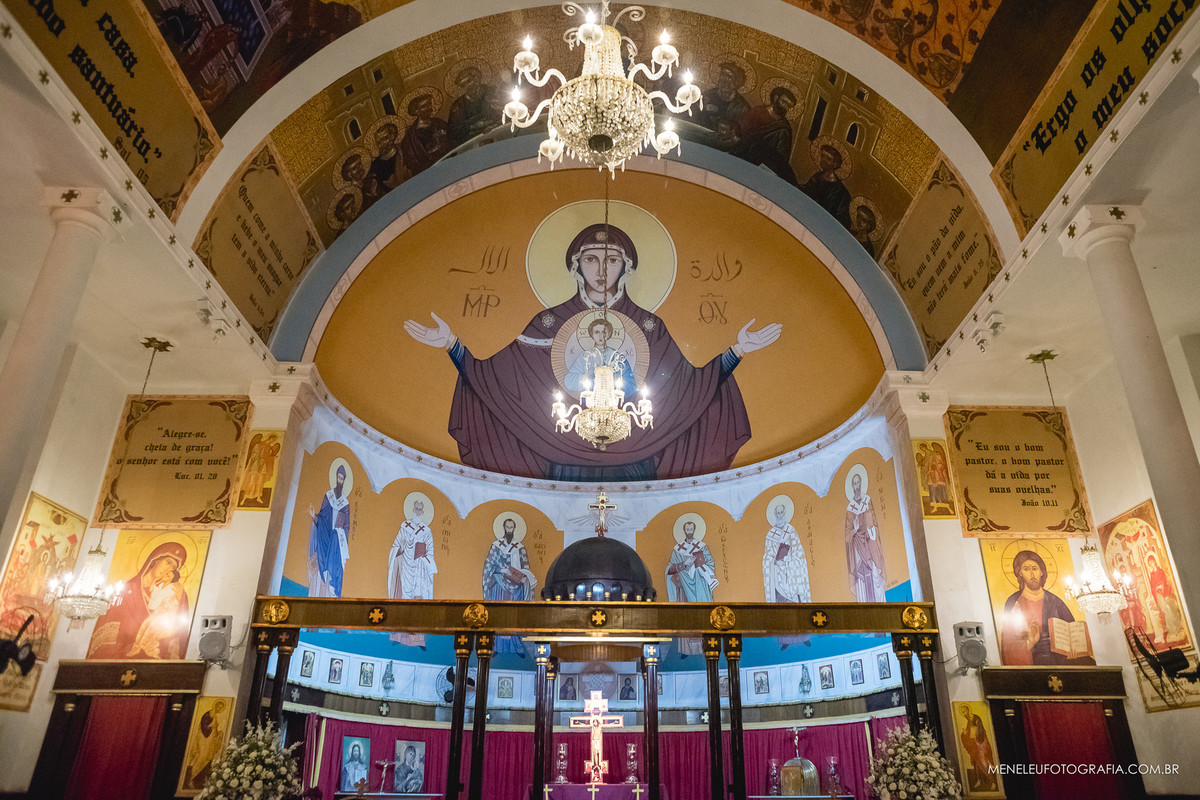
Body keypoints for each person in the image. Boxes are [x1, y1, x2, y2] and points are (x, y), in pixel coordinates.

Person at [404, 223, 782, 480]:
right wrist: (452, 345)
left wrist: (737, 350)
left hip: (637, 458)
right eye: (591, 259)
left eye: (612, 260)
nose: (602, 270)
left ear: (626, 267)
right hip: (563, 457)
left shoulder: (650, 326)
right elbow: (499, 380)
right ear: (576, 266)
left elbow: (689, 389)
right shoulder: (548, 322)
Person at [88, 541, 190, 659]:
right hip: (117, 660)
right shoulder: (125, 590)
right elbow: (106, 634)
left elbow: (176, 633)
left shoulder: (170, 594)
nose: (167, 570)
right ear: (156, 559)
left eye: (173, 568)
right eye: (167, 562)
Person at [1000, 550, 1086, 665]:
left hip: (1059, 656)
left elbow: (1073, 634)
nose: (1032, 574)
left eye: (1035, 569)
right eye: (1026, 569)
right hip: (1031, 656)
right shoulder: (1013, 602)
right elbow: (1008, 642)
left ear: (1041, 572)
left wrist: (1073, 650)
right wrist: (1030, 642)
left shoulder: (1056, 602)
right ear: (1020, 573)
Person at [482, 515, 537, 654]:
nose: (509, 530)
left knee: (514, 615)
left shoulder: (520, 548)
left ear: (514, 529)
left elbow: (526, 566)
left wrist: (523, 576)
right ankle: (496, 646)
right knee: (500, 614)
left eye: (511, 528)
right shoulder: (496, 546)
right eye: (507, 527)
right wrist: (502, 570)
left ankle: (517, 645)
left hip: (516, 586)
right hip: (499, 584)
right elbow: (489, 564)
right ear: (503, 528)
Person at [389, 496, 438, 646]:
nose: (418, 511)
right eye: (415, 509)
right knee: (403, 601)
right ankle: (398, 637)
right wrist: (401, 548)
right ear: (412, 510)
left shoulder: (427, 531)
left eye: (420, 509)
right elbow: (395, 547)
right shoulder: (404, 527)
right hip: (405, 569)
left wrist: (424, 557)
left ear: (423, 511)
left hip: (419, 572)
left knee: (418, 604)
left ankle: (417, 639)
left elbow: (431, 552)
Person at [739, 86, 799, 185]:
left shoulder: (784, 129)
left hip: (763, 167)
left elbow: (781, 158)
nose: (785, 107)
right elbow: (742, 131)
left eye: (788, 106)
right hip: (745, 155)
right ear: (776, 98)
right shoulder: (757, 111)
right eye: (783, 102)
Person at [564, 317, 637, 396]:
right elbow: (569, 381)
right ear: (591, 334)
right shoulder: (585, 357)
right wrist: (587, 376)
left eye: (604, 332)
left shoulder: (617, 357)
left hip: (613, 403)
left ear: (609, 334)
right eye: (597, 332)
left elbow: (631, 385)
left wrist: (613, 382)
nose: (601, 336)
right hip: (592, 403)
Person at [308, 463, 350, 597]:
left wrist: (341, 533)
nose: (340, 481)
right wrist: (314, 516)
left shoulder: (346, 503)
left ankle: (332, 591)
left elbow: (347, 525)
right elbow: (323, 515)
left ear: (344, 481)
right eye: (338, 477)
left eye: (342, 478)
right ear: (336, 478)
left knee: (335, 566)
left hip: (337, 539)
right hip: (326, 535)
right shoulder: (329, 496)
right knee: (322, 561)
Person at [845, 469, 886, 602]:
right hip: (858, 546)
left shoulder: (868, 501)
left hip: (870, 542)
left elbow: (874, 522)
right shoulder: (850, 508)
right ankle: (864, 602)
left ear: (862, 484)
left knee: (874, 571)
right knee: (862, 575)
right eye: (854, 484)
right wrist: (854, 530)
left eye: (858, 483)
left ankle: (879, 601)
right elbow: (847, 533)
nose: (857, 486)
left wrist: (872, 531)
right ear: (852, 486)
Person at [801, 141, 853, 229]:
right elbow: (807, 191)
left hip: (822, 226)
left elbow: (843, 219)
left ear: (835, 164)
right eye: (822, 156)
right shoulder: (817, 177)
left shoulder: (841, 191)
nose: (823, 161)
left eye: (828, 159)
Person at [447, 65, 499, 147]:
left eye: (469, 81)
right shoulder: (458, 106)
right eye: (464, 85)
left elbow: (509, 109)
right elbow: (453, 131)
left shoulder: (493, 91)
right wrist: (472, 126)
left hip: (499, 132)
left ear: (477, 79)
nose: (468, 87)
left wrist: (496, 124)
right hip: (475, 141)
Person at [400, 93, 450, 177]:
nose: (428, 108)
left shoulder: (439, 123)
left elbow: (452, 138)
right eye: (423, 106)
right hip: (429, 174)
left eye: (429, 104)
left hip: (449, 163)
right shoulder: (410, 137)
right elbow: (411, 161)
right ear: (416, 111)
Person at [181, 701, 227, 790]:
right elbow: (204, 727)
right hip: (203, 738)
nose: (219, 709)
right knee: (202, 756)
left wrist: (218, 732)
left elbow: (214, 729)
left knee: (207, 758)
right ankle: (190, 778)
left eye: (221, 708)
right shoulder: (208, 714)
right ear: (215, 706)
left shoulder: (215, 716)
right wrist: (212, 728)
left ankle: (198, 779)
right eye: (218, 707)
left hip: (209, 740)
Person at [699, 61, 751, 130]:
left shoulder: (742, 107)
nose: (724, 79)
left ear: (737, 82)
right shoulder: (708, 96)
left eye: (729, 76)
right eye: (722, 75)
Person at [958, 706, 998, 790]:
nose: (964, 714)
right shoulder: (969, 720)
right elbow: (968, 731)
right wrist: (965, 733)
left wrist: (975, 732)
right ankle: (979, 780)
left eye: (965, 711)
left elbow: (980, 730)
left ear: (968, 710)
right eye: (963, 712)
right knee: (976, 764)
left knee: (984, 763)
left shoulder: (976, 718)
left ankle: (993, 781)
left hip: (980, 745)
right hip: (974, 746)